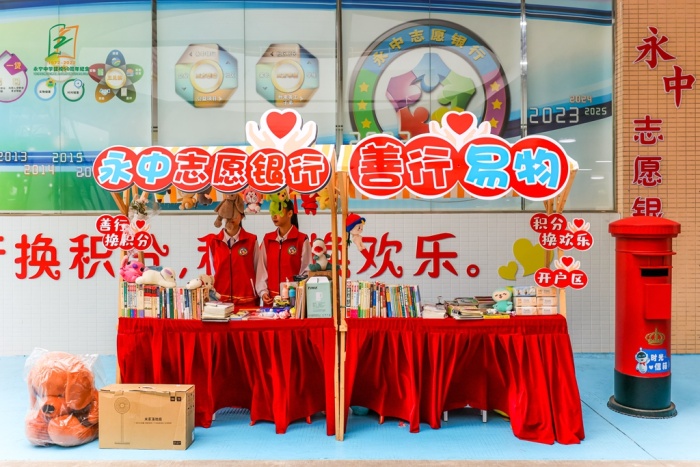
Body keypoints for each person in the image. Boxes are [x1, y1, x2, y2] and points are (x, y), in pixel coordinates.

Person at [207, 194, 260, 307]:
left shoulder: (251, 240)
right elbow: (213, 272)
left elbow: (258, 269)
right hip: (220, 300)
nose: (231, 219)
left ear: (241, 216)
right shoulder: (214, 242)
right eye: (228, 215)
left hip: (247, 299)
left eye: (234, 215)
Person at [257, 198, 311, 306]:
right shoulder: (268, 239)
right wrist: (263, 292)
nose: (274, 216)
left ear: (290, 213)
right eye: (272, 212)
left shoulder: (301, 240)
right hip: (271, 302)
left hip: (293, 301)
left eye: (278, 212)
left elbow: (306, 272)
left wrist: (297, 294)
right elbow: (262, 270)